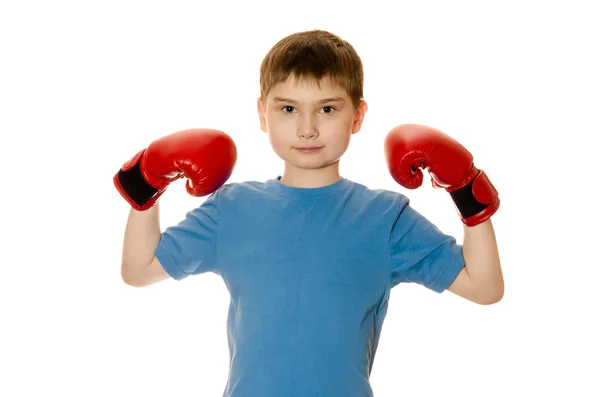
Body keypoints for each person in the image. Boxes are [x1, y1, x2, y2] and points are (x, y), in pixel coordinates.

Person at [114, 29, 504, 397]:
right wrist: (144, 185)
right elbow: (139, 269)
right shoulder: (232, 209)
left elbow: (484, 288)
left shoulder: (384, 217)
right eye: (287, 108)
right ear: (262, 115)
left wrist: (467, 191)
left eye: (327, 109)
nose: (307, 129)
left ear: (357, 116)